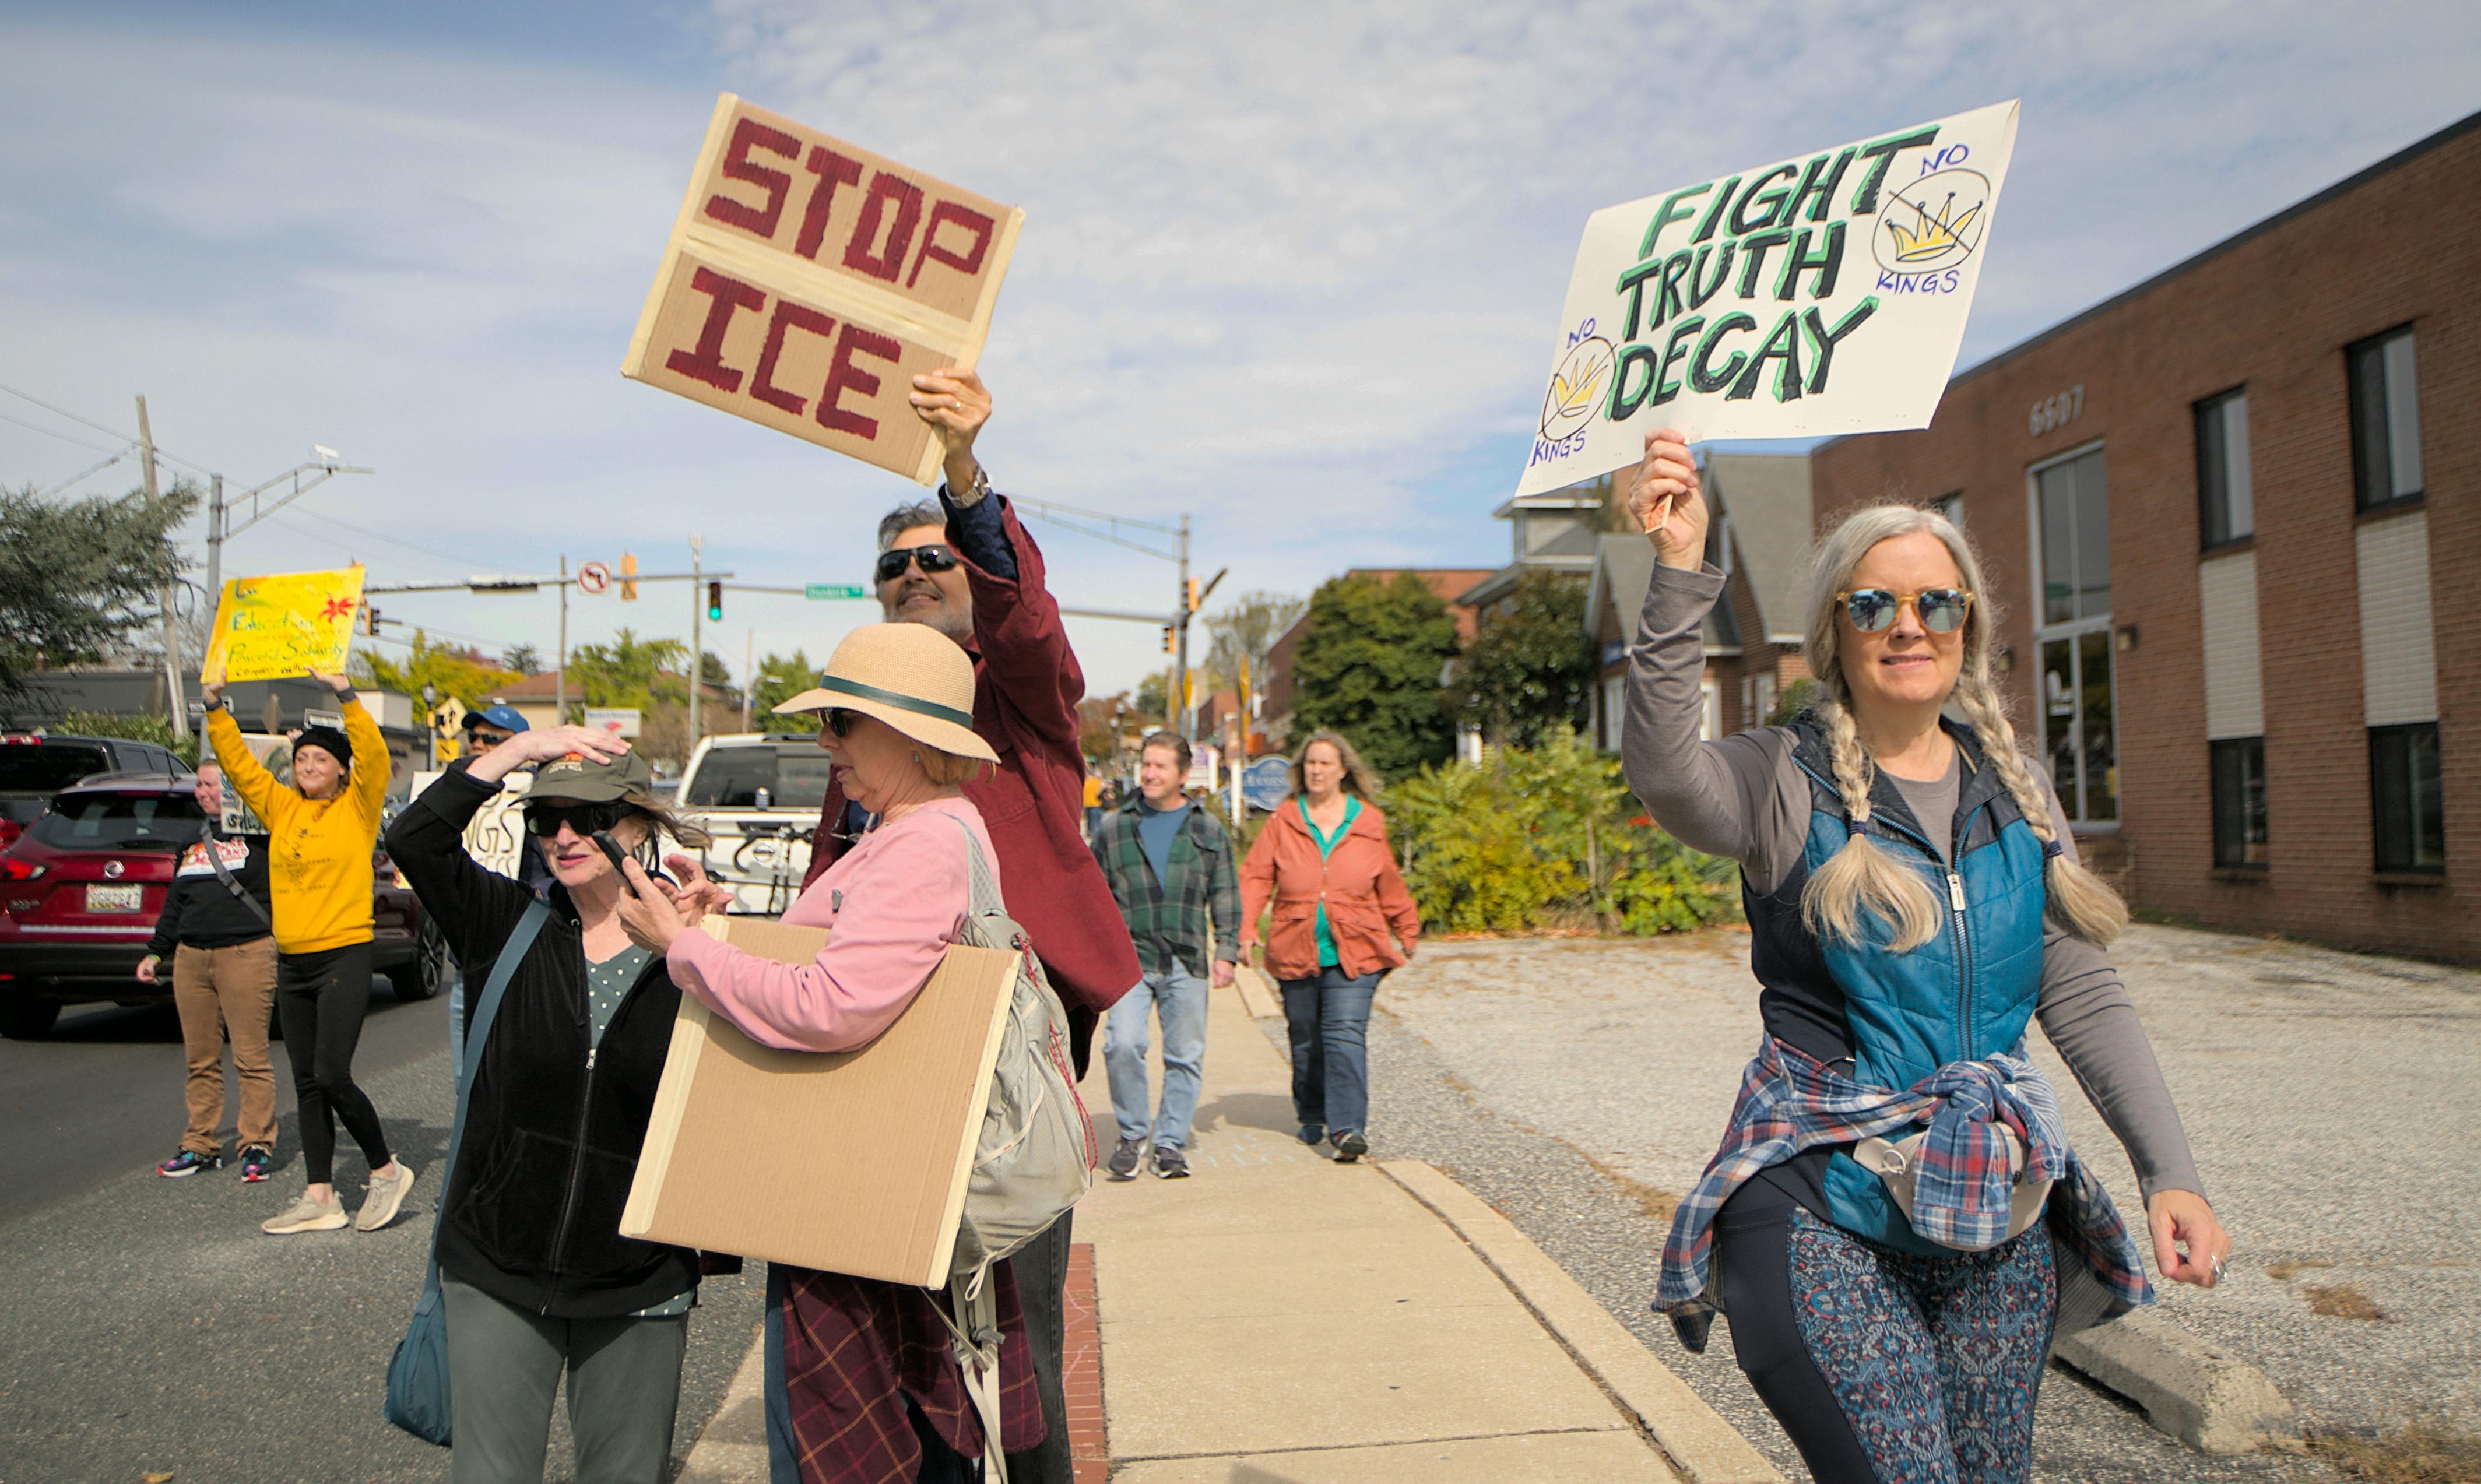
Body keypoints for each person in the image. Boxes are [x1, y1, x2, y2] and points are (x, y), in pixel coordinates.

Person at [1618, 428, 2232, 1484]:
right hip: (1818, 1202)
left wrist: (2168, 1172)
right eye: (1874, 605)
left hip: (1993, 1209)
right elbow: (1667, 773)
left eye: (1934, 603)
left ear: (1969, 628)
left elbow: (2078, 988)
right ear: (1835, 632)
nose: (1907, 625)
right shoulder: (1781, 778)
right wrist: (1679, 571)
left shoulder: (2019, 787)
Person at [801, 367, 1138, 1484]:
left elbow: (1023, 610)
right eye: (891, 566)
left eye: (930, 558)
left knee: (1020, 1339)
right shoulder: (862, 738)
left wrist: (962, 479)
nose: (909, 576)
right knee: (897, 1327)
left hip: (998, 1062)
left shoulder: (1020, 692)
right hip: (877, 1052)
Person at [626, 623, 1045, 1483]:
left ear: (910, 735)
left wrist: (686, 947)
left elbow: (833, 1006)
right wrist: (722, 925)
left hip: (862, 1212)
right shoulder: (922, 830)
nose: (826, 743)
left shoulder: (921, 841)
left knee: (858, 1448)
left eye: (843, 723)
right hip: (876, 1197)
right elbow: (846, 961)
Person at [386, 723, 722, 1483]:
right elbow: (414, 838)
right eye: (547, 818)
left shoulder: (697, 948)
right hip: (496, 1265)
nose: (565, 834)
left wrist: (706, 944)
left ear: (640, 826)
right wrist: (515, 753)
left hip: (639, 1275)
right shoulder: (504, 922)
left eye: (591, 816)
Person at [203, 671, 416, 1236]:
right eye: (302, 760)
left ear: (342, 769)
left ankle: (386, 1169)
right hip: (292, 960)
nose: (308, 767)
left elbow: (370, 749)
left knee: (331, 1071)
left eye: (320, 759)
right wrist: (215, 707)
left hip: (343, 953)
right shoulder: (282, 808)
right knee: (305, 1080)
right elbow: (240, 767)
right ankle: (320, 1195)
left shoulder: (358, 807)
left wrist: (345, 695)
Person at [1237, 730, 1419, 1163]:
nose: (1317, 770)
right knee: (1306, 1037)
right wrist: (1246, 929)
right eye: (1311, 763)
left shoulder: (1367, 821)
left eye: (1326, 763)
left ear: (1343, 771)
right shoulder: (1283, 820)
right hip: (1294, 943)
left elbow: (1387, 878)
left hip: (1357, 945)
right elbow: (1257, 876)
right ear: (1302, 772)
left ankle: (1348, 1127)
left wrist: (1405, 925)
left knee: (1344, 1034)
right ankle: (1313, 1110)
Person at [1091, 730, 1240, 1180]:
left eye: (1160, 766)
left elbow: (1226, 892)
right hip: (1130, 960)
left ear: (1181, 773)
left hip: (1187, 958)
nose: (1150, 773)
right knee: (1123, 1043)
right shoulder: (1115, 827)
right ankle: (1133, 1134)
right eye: (1146, 765)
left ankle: (1170, 1143)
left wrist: (1227, 951)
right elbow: (1092, 895)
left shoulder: (1206, 828)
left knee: (1185, 1055)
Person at [142, 760, 279, 1184]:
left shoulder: (265, 833)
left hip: (247, 952)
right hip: (192, 957)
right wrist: (157, 953)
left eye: (209, 784)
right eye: (198, 785)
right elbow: (175, 903)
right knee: (200, 1059)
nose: (201, 792)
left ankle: (257, 1143)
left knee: (250, 1056)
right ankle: (200, 1144)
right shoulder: (192, 841)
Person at [462, 702, 530, 757]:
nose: (477, 745)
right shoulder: (456, 771)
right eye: (473, 737)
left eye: (490, 738)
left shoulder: (530, 774)